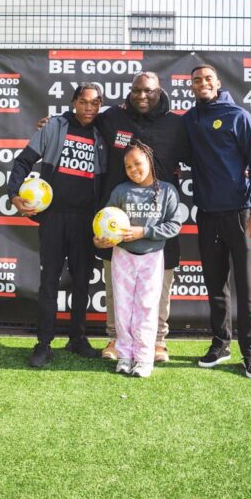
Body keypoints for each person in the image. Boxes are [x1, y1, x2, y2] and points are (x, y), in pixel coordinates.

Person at [8, 83, 107, 368]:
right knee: (49, 280)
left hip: (86, 220)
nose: (90, 108)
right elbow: (24, 160)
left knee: (81, 282)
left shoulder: (104, 131)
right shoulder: (54, 127)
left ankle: (77, 338)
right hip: (54, 219)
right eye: (84, 101)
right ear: (74, 101)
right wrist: (14, 193)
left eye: (96, 103)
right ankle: (44, 343)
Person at [94, 72, 189, 363]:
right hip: (118, 215)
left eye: (148, 91)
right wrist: (53, 124)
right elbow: (81, 124)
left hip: (159, 219)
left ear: (159, 91)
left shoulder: (176, 123)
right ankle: (116, 337)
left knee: (160, 282)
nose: (142, 96)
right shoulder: (112, 118)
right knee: (116, 283)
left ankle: (158, 341)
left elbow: (203, 152)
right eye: (136, 91)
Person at [183, 64, 251, 379]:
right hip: (206, 215)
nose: (202, 83)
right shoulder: (190, 120)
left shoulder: (238, 116)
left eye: (207, 79)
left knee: (246, 289)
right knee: (215, 287)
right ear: (191, 86)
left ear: (217, 83)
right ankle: (221, 345)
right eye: (196, 80)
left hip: (241, 215)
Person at [95, 140, 183, 378]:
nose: (134, 169)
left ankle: (144, 358)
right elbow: (104, 222)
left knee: (146, 307)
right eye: (128, 167)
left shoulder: (167, 191)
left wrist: (143, 232)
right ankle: (124, 355)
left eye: (138, 163)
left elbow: (174, 225)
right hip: (122, 255)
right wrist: (101, 239)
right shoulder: (121, 191)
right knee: (123, 307)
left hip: (152, 257)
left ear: (150, 162)